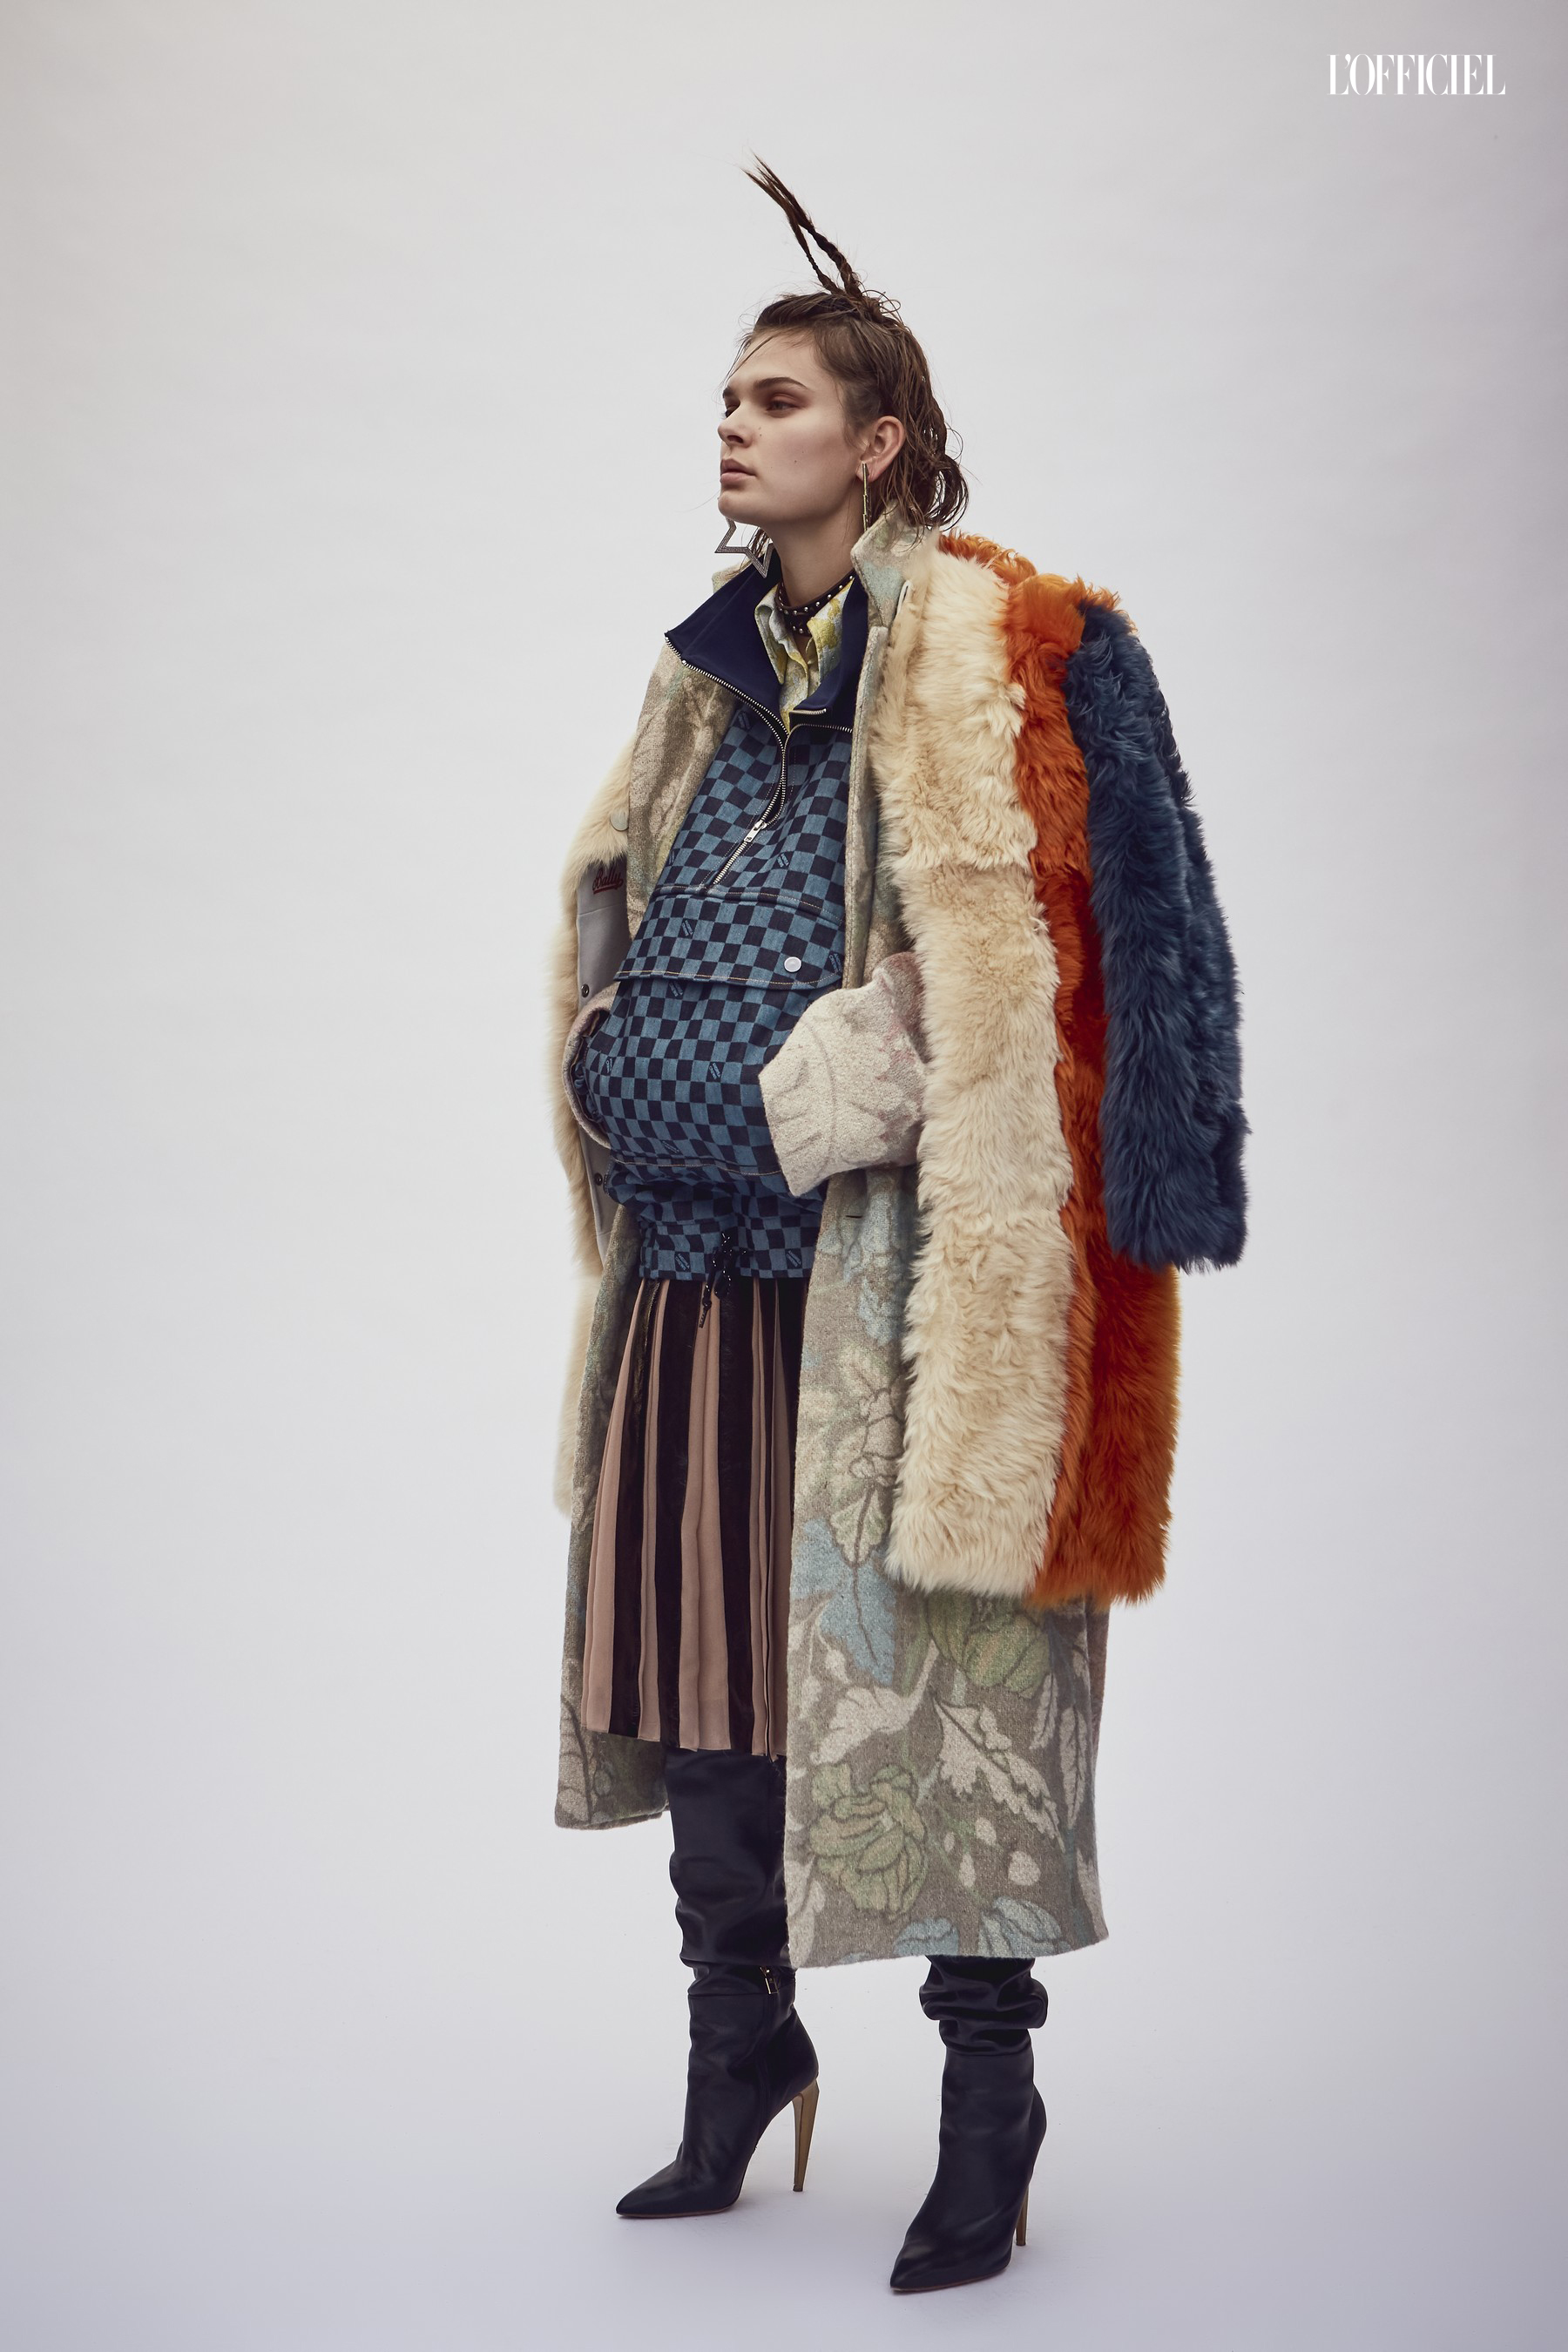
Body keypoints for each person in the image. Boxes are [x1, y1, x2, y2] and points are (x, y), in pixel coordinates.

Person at [546, 159, 1247, 2295]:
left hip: (897, 1298)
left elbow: (1048, 966)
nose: (733, 424)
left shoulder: (1002, 651)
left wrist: (799, 1090)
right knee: (700, 1670)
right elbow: (618, 904)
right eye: (727, 396)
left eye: (776, 398)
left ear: (880, 441)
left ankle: (986, 2111)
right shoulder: (703, 673)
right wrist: (609, 1057)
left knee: (942, 1685)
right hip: (696, 1278)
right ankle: (739, 2048)